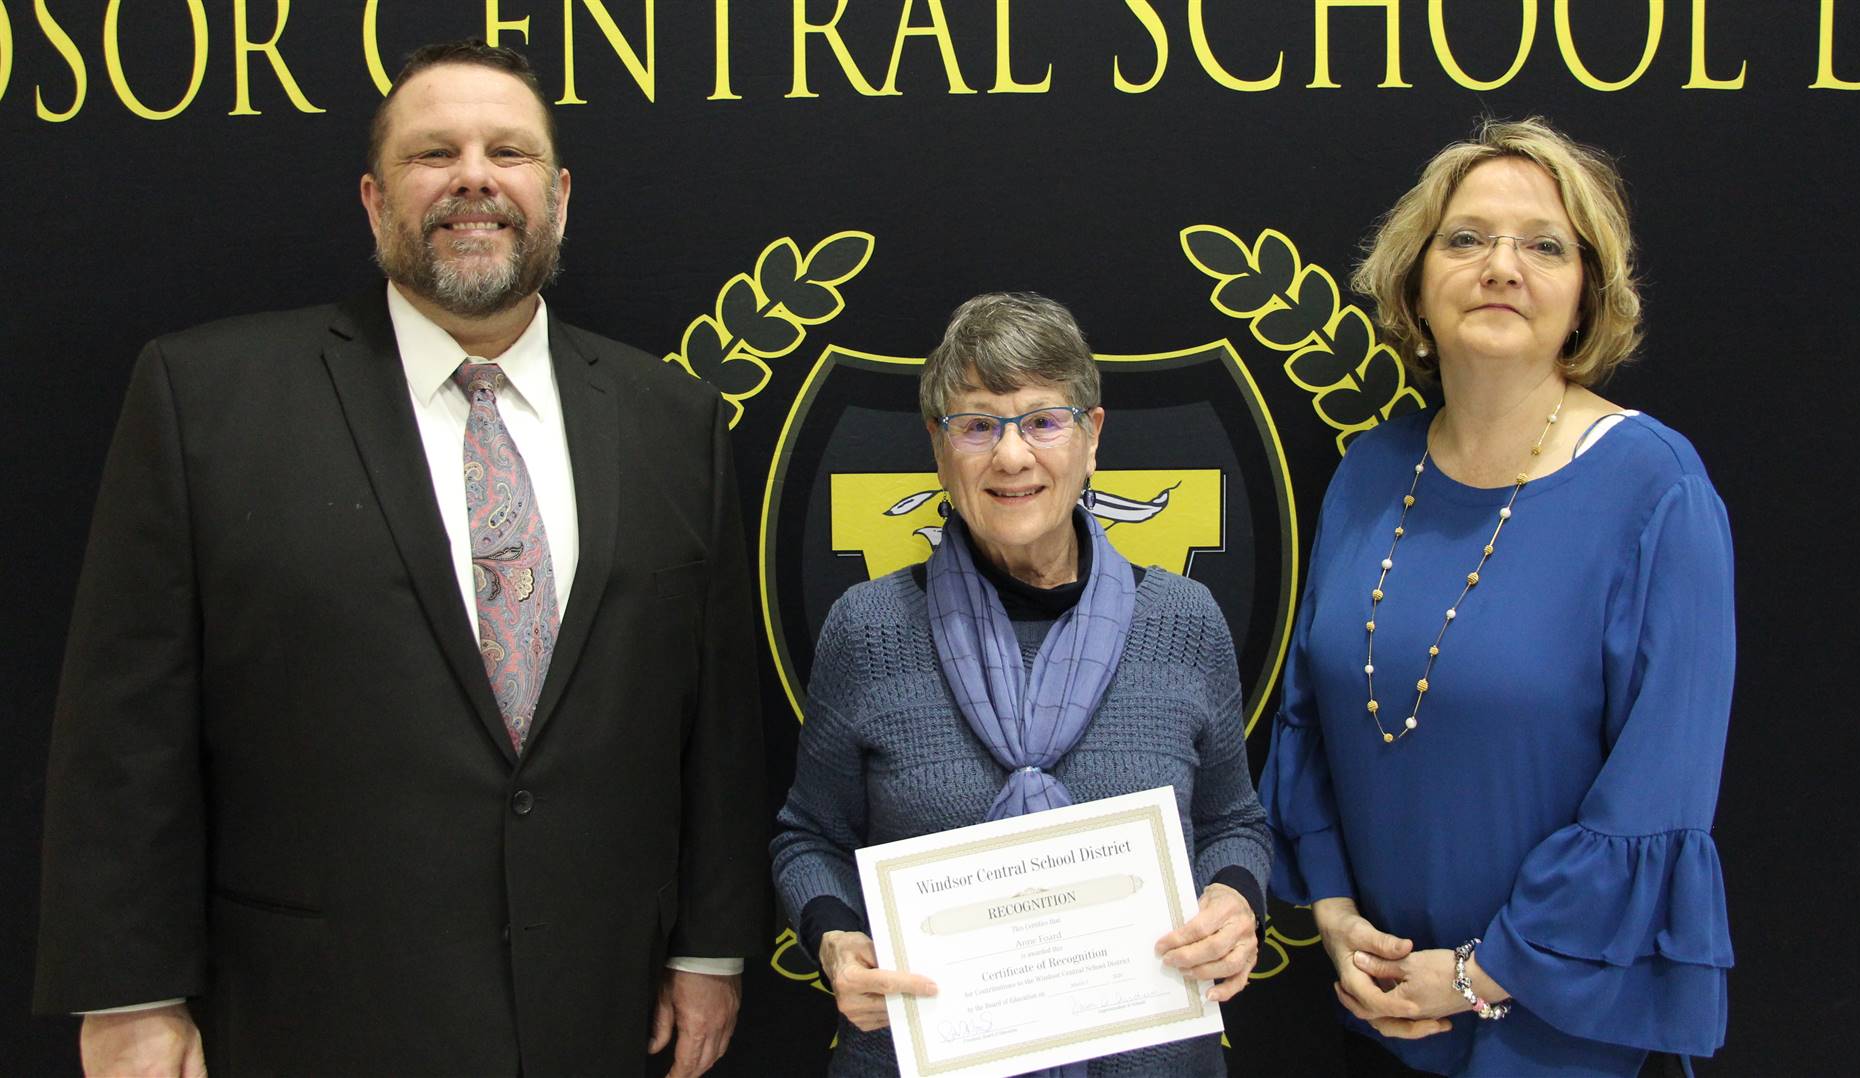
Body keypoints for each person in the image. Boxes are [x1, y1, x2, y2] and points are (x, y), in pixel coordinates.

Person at [34, 40, 766, 1077]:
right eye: (436, 153)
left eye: (506, 150)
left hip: (594, 1007)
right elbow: (126, 724)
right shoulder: (206, 399)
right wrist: (127, 995)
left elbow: (715, 717)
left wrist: (707, 945)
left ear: (557, 196)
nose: (475, 174)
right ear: (376, 202)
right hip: (309, 1014)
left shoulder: (670, 417)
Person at [1259, 117, 1734, 1076]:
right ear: (1415, 279)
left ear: (1586, 294)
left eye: (1543, 246)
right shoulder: (1367, 472)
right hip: (1383, 1007)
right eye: (1466, 238)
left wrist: (1484, 974)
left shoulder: (1656, 489)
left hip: (1556, 1025)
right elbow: (1311, 717)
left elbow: (1658, 788)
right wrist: (1338, 916)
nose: (1501, 267)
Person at [771, 292, 1272, 1076]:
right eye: (976, 425)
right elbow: (810, 837)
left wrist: (1235, 901)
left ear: (1091, 437)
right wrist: (836, 937)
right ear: (939, 449)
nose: (1012, 457)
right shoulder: (867, 630)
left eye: (1043, 420)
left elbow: (1233, 822)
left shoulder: (1184, 620)